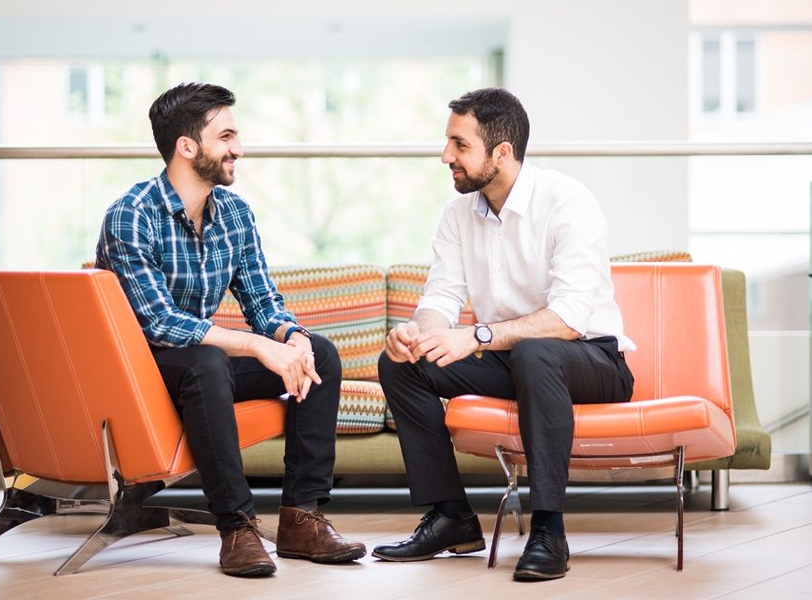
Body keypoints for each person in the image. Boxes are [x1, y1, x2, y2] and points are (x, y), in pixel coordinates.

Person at [95, 82, 366, 578]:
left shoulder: (234, 215)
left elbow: (263, 301)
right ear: (187, 146)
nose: (237, 148)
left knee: (320, 355)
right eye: (226, 136)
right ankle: (236, 526)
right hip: (145, 367)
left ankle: (301, 518)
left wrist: (291, 339)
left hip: (207, 365)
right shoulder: (130, 216)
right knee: (207, 359)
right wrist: (256, 346)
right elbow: (158, 323)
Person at [372, 87, 635, 581]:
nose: (446, 156)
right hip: (513, 360)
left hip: (592, 361)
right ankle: (451, 516)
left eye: (459, 144)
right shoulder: (458, 215)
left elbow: (570, 318)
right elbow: (441, 298)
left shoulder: (567, 202)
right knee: (400, 364)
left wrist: (475, 337)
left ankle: (549, 530)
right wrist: (417, 334)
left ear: (502, 153)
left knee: (537, 353)